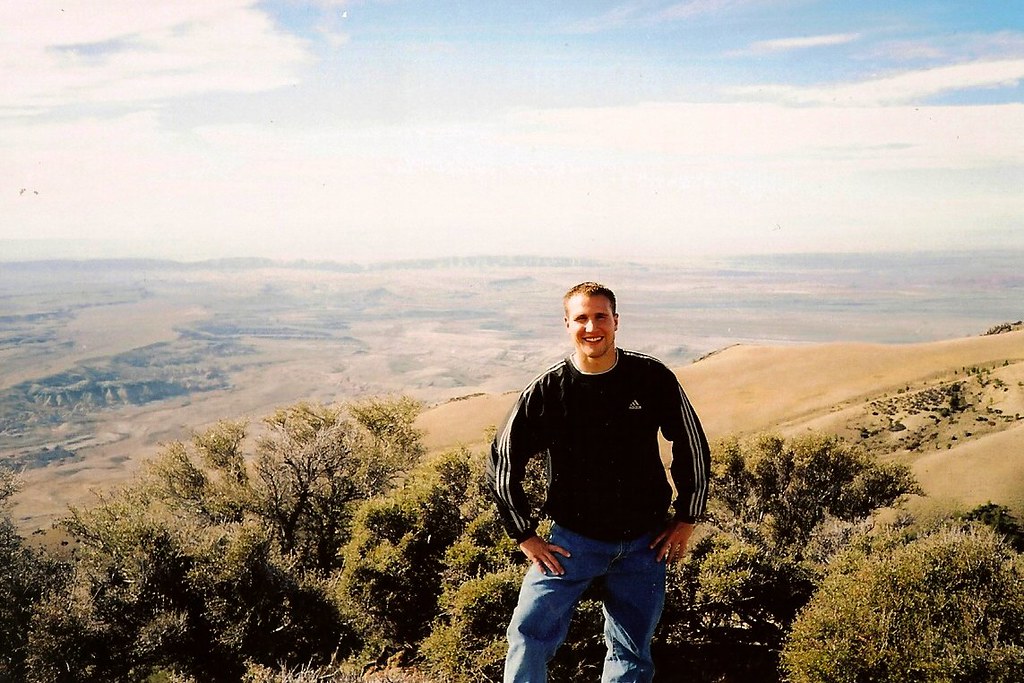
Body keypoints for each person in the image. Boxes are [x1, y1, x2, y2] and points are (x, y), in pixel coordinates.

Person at [486, 281, 710, 683]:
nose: (592, 327)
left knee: (631, 650)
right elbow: (503, 461)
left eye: (600, 316)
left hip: (646, 544)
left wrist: (687, 517)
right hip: (571, 543)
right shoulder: (548, 391)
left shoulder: (651, 377)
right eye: (582, 318)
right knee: (528, 633)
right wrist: (524, 535)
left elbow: (692, 445)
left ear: (616, 321)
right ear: (567, 325)